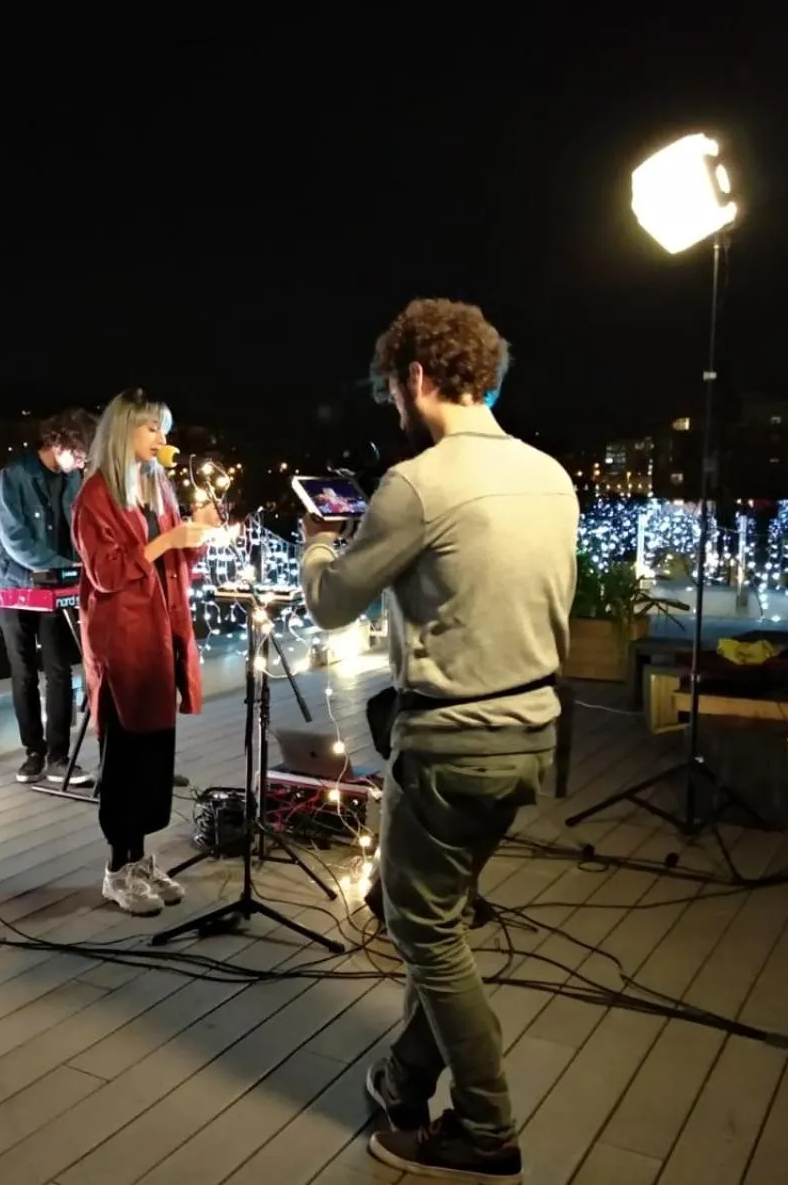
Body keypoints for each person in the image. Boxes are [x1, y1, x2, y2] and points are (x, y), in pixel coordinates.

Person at [299, 299, 577, 1182]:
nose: (392, 404)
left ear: (417, 377)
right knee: (440, 914)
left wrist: (316, 545)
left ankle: (486, 1127)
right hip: (534, 736)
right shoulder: (551, 475)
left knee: (420, 927)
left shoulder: (418, 483)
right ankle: (403, 1078)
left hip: (453, 743)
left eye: (392, 388)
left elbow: (334, 601)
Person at [72, 388, 221, 914]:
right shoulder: (95, 494)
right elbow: (106, 573)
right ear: (125, 431)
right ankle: (117, 867)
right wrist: (164, 541)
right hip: (125, 637)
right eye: (152, 428)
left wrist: (199, 529)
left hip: (164, 632)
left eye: (164, 429)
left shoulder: (157, 483)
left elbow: (182, 551)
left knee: (157, 754)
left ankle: (140, 859)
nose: (162, 438)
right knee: (128, 755)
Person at [0, 408, 99, 785]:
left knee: (58, 669)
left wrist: (82, 563)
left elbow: (79, 527)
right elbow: (15, 539)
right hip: (14, 583)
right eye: (80, 453)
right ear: (58, 442)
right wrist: (61, 565)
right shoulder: (13, 476)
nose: (82, 461)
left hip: (57, 584)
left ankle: (59, 756)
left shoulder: (72, 479)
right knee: (22, 673)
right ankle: (32, 753)